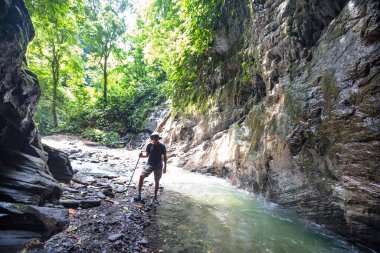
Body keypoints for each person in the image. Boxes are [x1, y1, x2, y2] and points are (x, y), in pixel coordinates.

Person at [135, 133, 167, 203]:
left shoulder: (162, 146)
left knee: (157, 181)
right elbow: (146, 155)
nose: (155, 139)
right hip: (150, 164)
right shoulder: (149, 145)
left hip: (159, 165)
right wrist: (141, 156)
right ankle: (139, 194)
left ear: (158, 138)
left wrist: (165, 167)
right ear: (152, 138)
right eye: (153, 138)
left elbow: (165, 157)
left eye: (156, 137)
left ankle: (155, 197)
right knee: (141, 176)